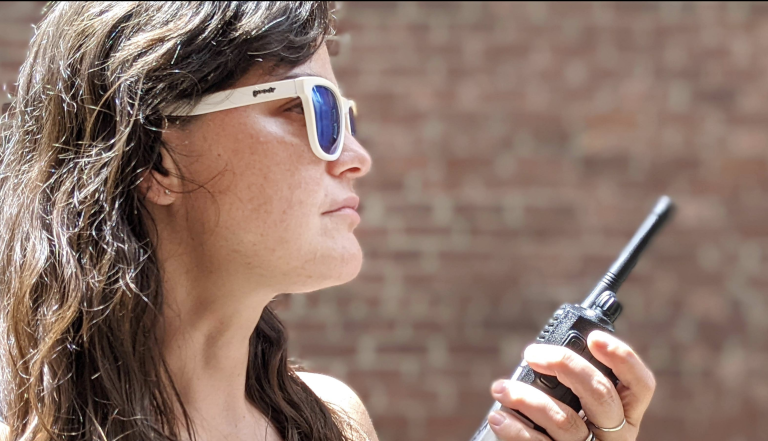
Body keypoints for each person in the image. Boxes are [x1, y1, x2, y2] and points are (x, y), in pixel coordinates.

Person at [0, 2, 656, 441]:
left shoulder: (333, 421)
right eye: (313, 108)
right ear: (155, 156)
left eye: (345, 113)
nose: (357, 156)